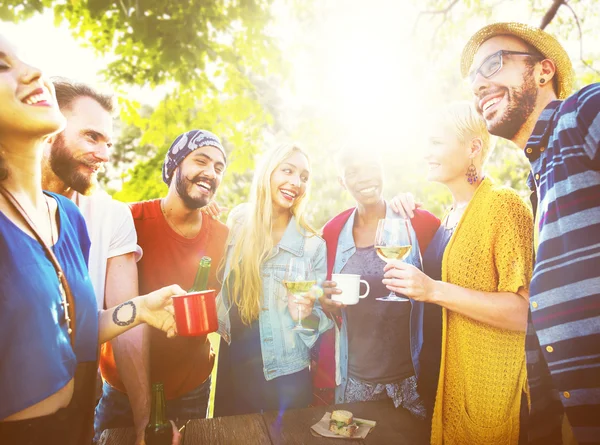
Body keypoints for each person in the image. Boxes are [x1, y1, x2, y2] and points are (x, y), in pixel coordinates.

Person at [0, 33, 183, 445]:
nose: (35, 73)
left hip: (79, 424)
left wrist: (138, 309)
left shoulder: (68, 216)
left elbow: (74, 332)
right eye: (91, 136)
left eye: (108, 142)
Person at [461, 22, 600, 444]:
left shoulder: (584, 110)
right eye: (473, 81)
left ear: (543, 71)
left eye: (493, 63)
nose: (480, 84)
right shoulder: (539, 176)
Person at [384, 102, 534, 444]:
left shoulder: (504, 204)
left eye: (436, 143)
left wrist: (433, 290)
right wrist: (396, 208)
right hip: (440, 381)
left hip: (487, 392)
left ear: (473, 147)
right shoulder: (448, 215)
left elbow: (523, 313)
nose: (426, 153)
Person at [95, 129, 229, 436]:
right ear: (175, 165)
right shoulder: (129, 221)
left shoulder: (222, 236)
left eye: (219, 168)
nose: (211, 173)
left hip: (191, 389)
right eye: (201, 161)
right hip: (121, 392)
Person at [39, 78, 150, 444]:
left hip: (80, 410)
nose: (104, 154)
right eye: (91, 137)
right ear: (48, 125)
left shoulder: (110, 216)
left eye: (107, 142)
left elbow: (124, 321)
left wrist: (144, 416)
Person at [315, 146, 439, 421]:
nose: (364, 178)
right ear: (341, 181)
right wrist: (325, 302)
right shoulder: (333, 231)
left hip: (414, 381)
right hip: (356, 380)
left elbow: (444, 293)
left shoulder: (418, 222)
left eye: (371, 167)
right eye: (352, 172)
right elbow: (323, 296)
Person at [215, 143, 333, 415]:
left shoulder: (312, 245)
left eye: (304, 177)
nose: (296, 182)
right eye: (288, 171)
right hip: (232, 370)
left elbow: (318, 326)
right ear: (268, 172)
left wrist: (303, 315)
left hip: (284, 378)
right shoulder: (239, 223)